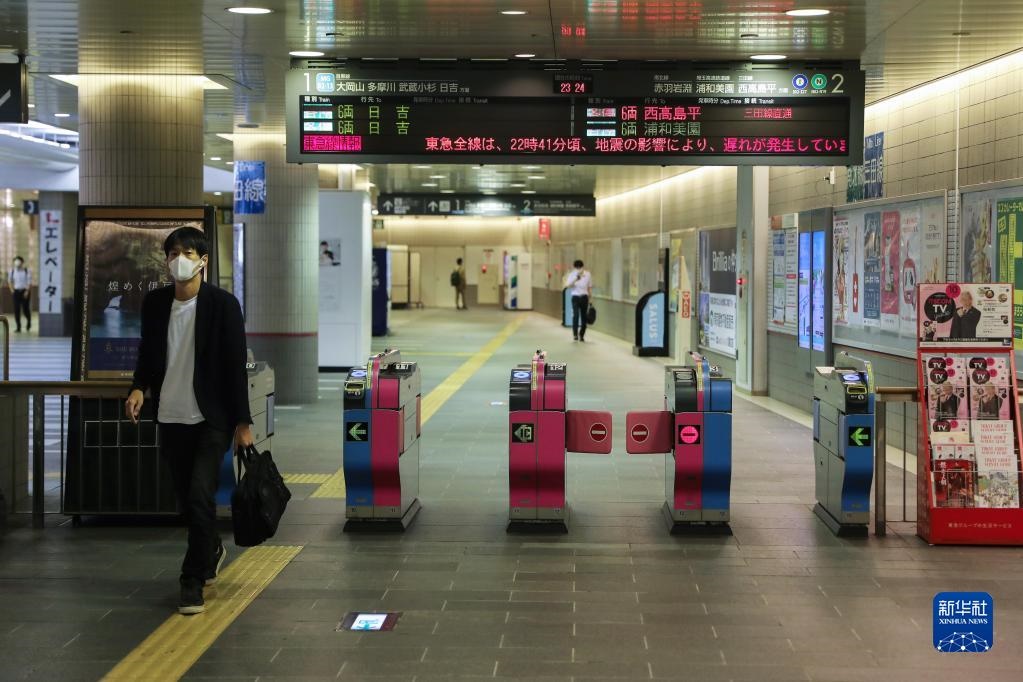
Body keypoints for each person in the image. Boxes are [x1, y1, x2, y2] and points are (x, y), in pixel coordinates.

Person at [125, 226, 253, 615]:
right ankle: (210, 547)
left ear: (203, 261)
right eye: (172, 253)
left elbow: (234, 366)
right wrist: (138, 388)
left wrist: (243, 423)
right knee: (187, 499)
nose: (178, 259)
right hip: (170, 415)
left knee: (200, 494)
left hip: (210, 417)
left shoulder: (223, 305)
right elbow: (148, 352)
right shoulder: (155, 303)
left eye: (187, 253)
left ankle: (191, 580)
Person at [565, 259, 592, 342]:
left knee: (584, 317)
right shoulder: (572, 274)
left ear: (583, 267)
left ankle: (582, 334)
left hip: (584, 297)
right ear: (574, 268)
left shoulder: (588, 274)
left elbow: (589, 287)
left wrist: (591, 298)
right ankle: (575, 334)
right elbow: (568, 285)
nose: (578, 269)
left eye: (580, 267)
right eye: (577, 268)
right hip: (575, 297)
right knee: (576, 315)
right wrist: (576, 279)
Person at [7, 256, 32, 333]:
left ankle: (29, 321)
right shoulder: (12, 271)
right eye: (15, 261)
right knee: (16, 309)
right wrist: (12, 290)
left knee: (25, 309)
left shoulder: (27, 271)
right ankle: (18, 327)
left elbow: (29, 282)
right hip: (16, 292)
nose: (17, 262)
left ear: (22, 262)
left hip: (25, 291)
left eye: (18, 261)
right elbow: (10, 281)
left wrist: (27, 291)